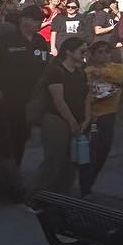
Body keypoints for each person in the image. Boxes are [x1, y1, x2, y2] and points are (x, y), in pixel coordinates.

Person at [0, 5, 48, 171]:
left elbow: (45, 67)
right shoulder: (6, 40)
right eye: (34, 19)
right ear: (23, 20)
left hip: (30, 100)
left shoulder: (40, 41)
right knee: (5, 142)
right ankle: (2, 180)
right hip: (6, 99)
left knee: (21, 140)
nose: (38, 22)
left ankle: (12, 176)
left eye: (40, 19)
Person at [33, 37, 90, 194]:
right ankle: (37, 197)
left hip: (77, 119)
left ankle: (61, 195)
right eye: (82, 51)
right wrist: (72, 121)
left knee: (71, 162)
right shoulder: (56, 70)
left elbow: (87, 96)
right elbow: (58, 100)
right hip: (56, 119)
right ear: (69, 52)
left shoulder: (80, 71)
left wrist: (86, 118)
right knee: (54, 159)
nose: (85, 54)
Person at [79, 40, 123, 196]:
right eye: (99, 52)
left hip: (109, 114)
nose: (104, 55)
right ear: (93, 54)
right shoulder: (86, 71)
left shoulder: (116, 68)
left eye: (106, 52)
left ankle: (91, 179)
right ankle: (85, 183)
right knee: (89, 152)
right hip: (90, 115)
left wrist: (103, 73)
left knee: (103, 150)